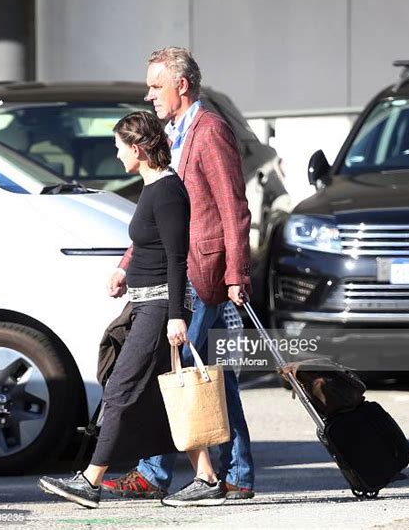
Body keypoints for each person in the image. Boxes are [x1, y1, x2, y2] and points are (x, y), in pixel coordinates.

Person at [38, 111, 226, 508]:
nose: (117, 154)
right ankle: (207, 478)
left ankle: (90, 481)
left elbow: (178, 258)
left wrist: (177, 315)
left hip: (161, 308)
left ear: (137, 149)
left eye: (120, 147)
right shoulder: (153, 188)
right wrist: (124, 271)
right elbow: (150, 245)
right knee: (161, 398)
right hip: (145, 303)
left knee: (121, 388)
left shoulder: (168, 192)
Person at [104, 47, 255, 504]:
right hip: (181, 268)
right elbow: (160, 209)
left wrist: (236, 274)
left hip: (204, 271)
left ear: (181, 85)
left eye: (156, 86)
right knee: (212, 376)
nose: (149, 95)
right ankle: (237, 475)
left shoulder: (209, 132)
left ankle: (165, 472)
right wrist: (127, 262)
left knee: (177, 369)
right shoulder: (173, 133)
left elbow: (233, 208)